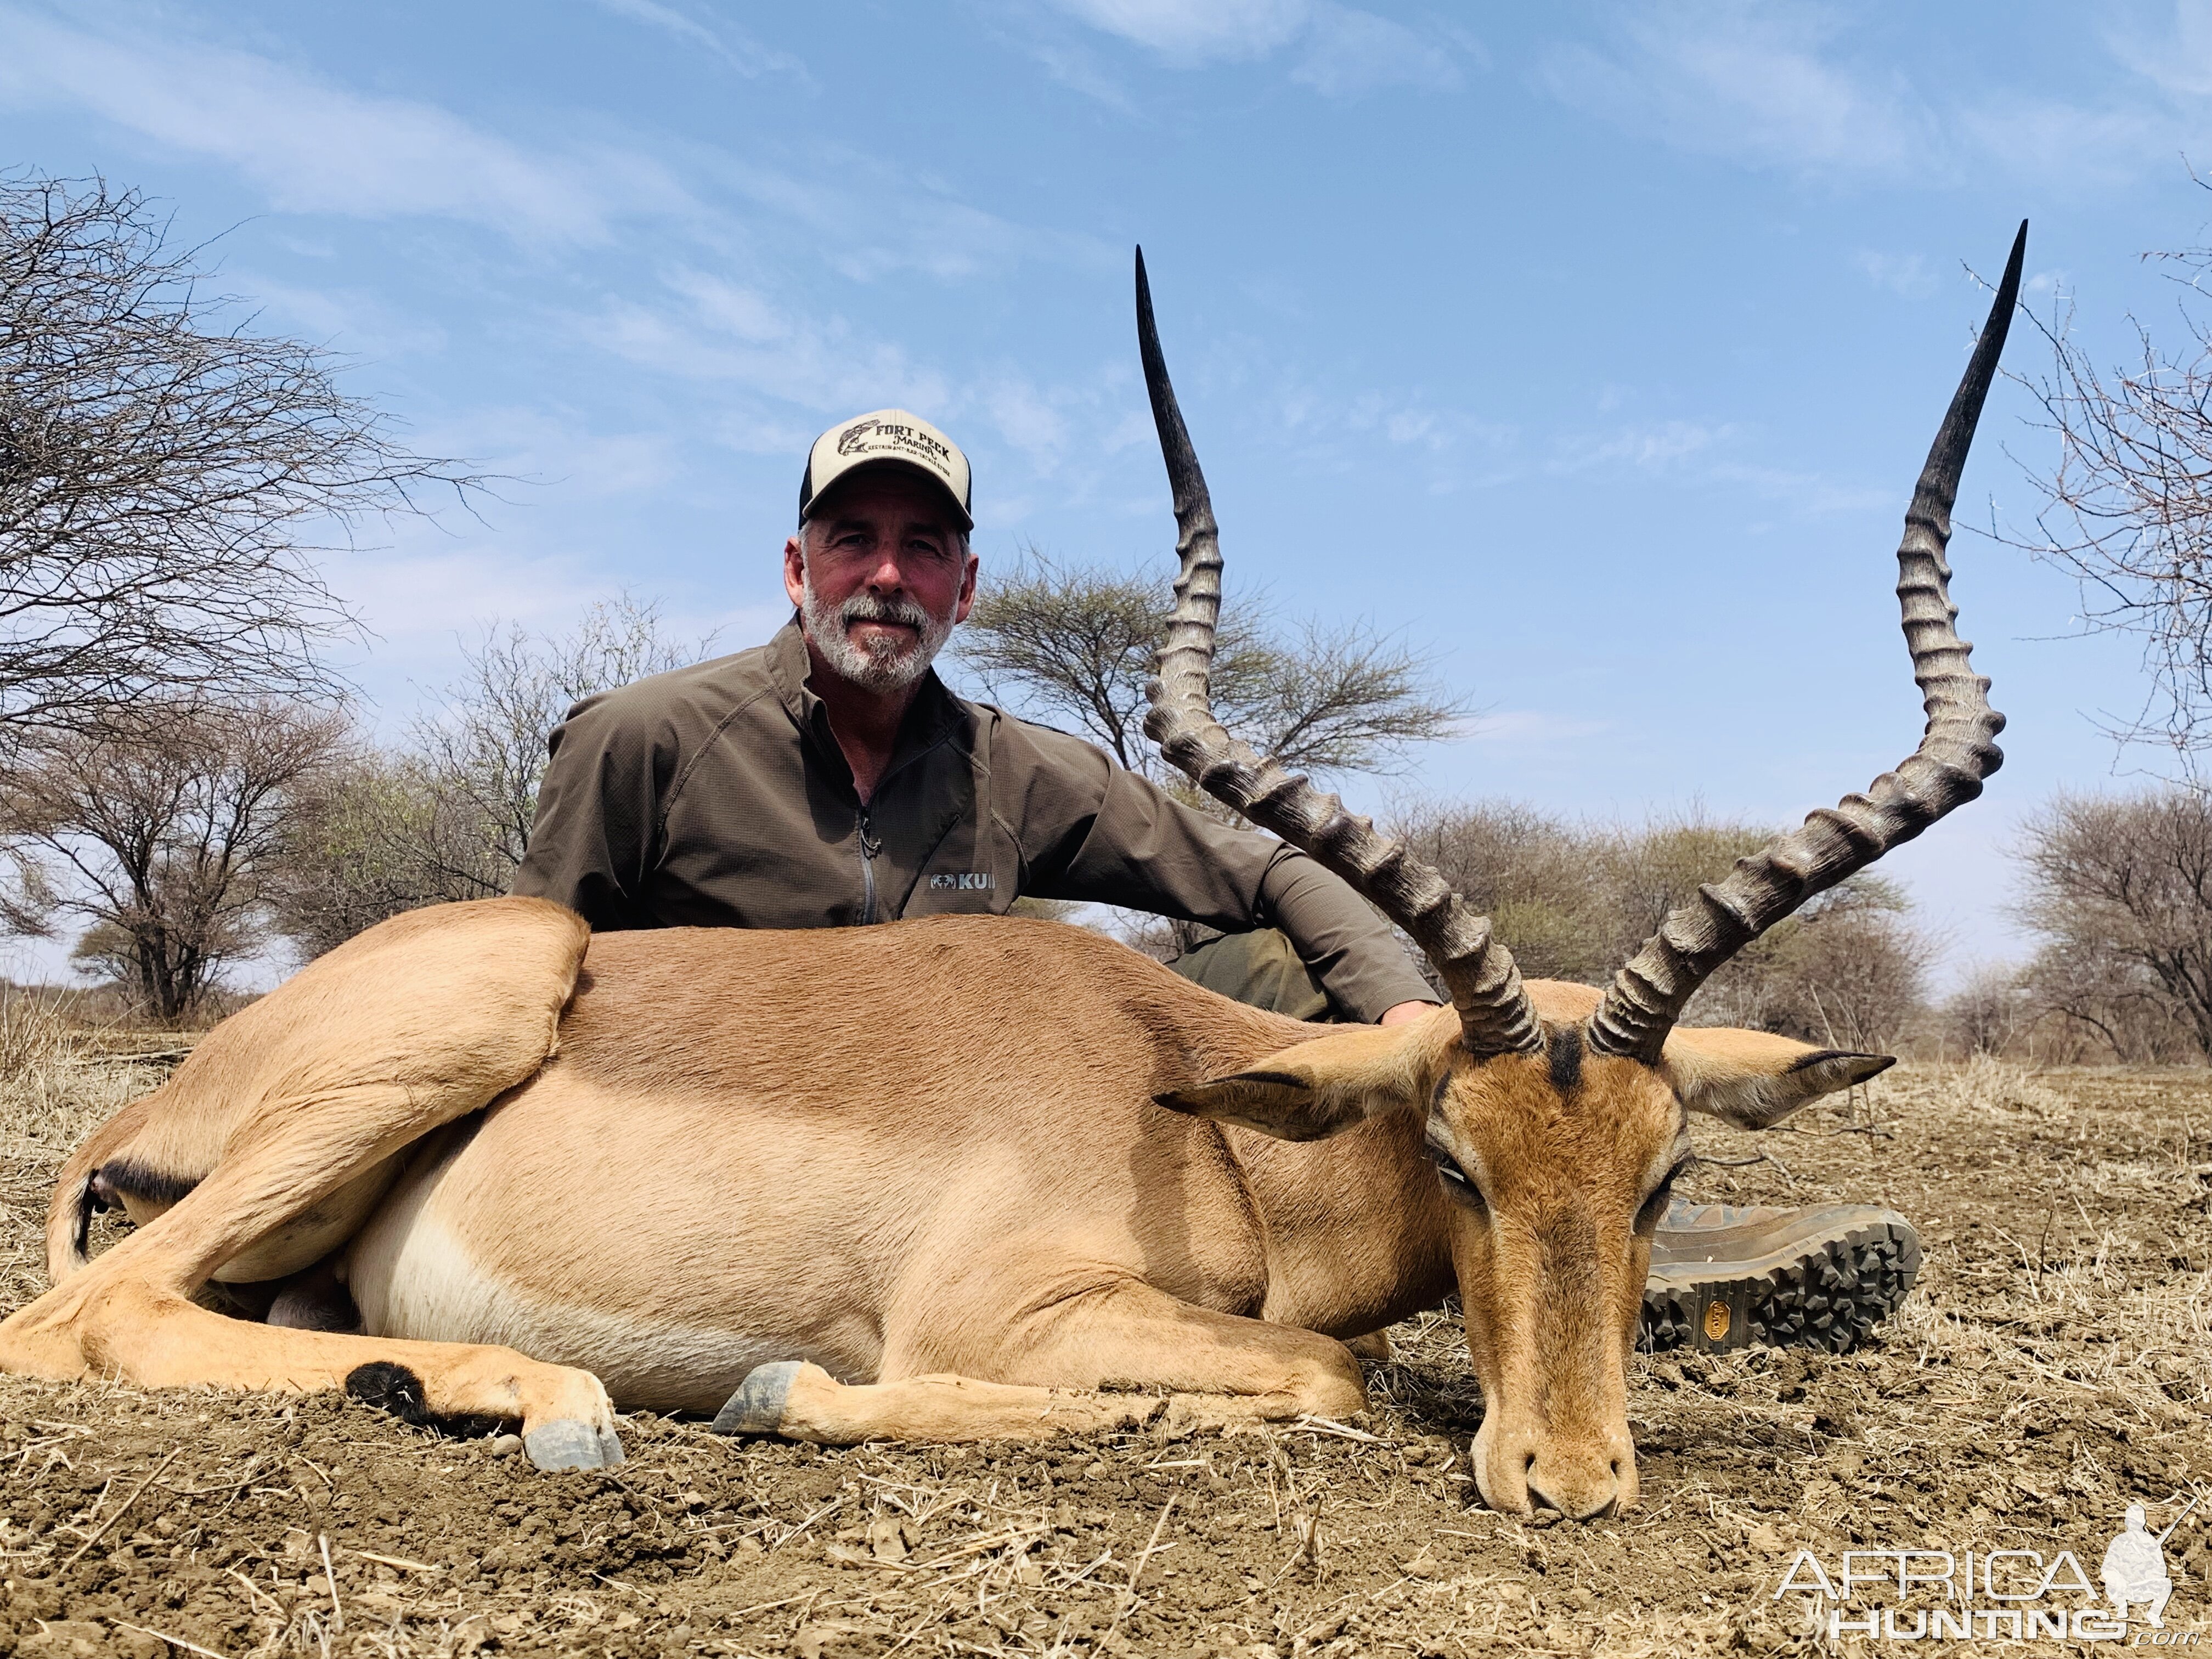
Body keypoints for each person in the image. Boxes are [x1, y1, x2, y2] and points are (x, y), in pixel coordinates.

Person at [515, 408, 1921, 1355]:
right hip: (781, 1115)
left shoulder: (1015, 765)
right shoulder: (650, 739)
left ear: (967, 584)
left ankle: (1586, 1214)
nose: (886, 576)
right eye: (854, 541)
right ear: (795, 563)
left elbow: (1261, 871)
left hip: (995, 1108)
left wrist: (1395, 1022)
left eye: (922, 548)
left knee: (1317, 986)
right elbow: (547, 964)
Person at [2102, 1505, 2173, 1629]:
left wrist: (2148, 1572)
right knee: (2112, 1583)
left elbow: (2162, 1569)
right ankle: (2122, 1607)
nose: (2134, 1526)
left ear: (2143, 1523)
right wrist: (2118, 1578)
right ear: (2126, 1522)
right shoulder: (2119, 1541)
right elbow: (2107, 1568)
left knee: (2166, 1584)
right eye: (2131, 1522)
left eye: (2137, 1523)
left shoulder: (2151, 1543)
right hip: (2122, 1587)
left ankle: (2154, 1615)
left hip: (2143, 1587)